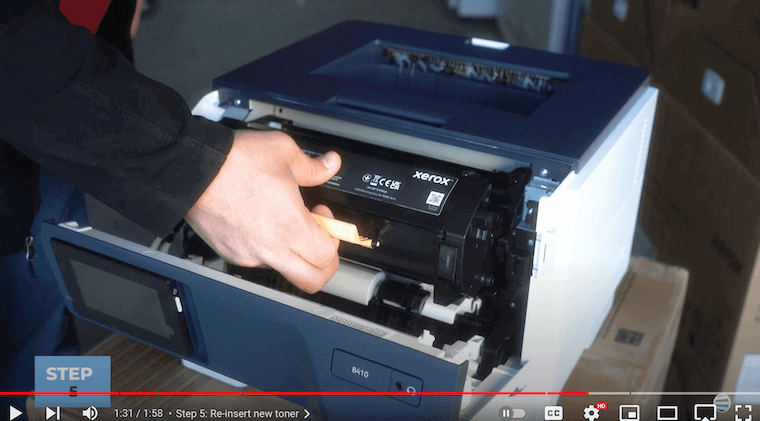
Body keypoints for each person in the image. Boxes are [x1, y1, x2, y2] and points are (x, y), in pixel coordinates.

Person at [0, 0, 341, 417]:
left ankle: (65, 405)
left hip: (70, 99)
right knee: (22, 332)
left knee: (57, 307)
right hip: (28, 105)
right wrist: (197, 171)